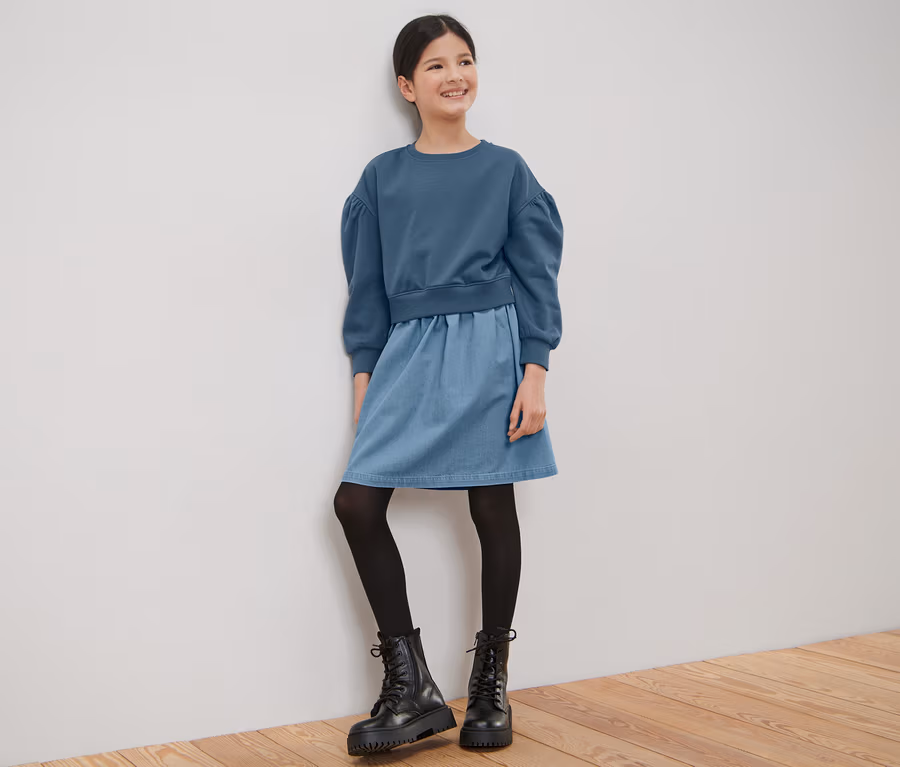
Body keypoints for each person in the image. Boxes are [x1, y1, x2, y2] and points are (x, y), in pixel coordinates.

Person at [332, 13, 564, 757]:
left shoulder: (506, 170)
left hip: (491, 348)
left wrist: (536, 369)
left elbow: (537, 275)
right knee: (356, 502)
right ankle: (412, 688)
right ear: (408, 86)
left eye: (464, 60)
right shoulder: (382, 177)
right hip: (408, 353)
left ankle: (491, 683)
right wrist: (364, 373)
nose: (455, 75)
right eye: (436, 65)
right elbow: (367, 287)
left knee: (491, 503)